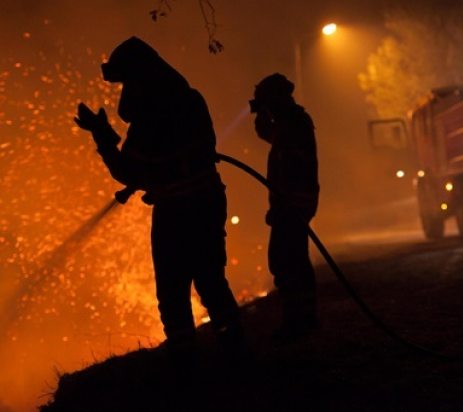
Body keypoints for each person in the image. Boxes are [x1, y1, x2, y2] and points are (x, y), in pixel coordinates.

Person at [74, 36, 243, 361]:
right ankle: (234, 348)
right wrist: (155, 179)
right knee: (210, 279)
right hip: (207, 203)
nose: (126, 91)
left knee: (173, 289)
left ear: (140, 77)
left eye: (128, 81)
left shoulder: (150, 120)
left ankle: (184, 363)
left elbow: (128, 170)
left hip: (177, 213)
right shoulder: (191, 101)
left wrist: (101, 135)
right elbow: (180, 158)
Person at [250, 73, 320, 340]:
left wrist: (282, 205)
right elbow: (265, 132)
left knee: (288, 261)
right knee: (287, 260)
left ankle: (300, 321)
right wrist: (260, 113)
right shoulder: (289, 122)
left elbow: (291, 169)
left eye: (266, 102)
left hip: (293, 203)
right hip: (291, 203)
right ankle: (302, 318)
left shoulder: (293, 123)